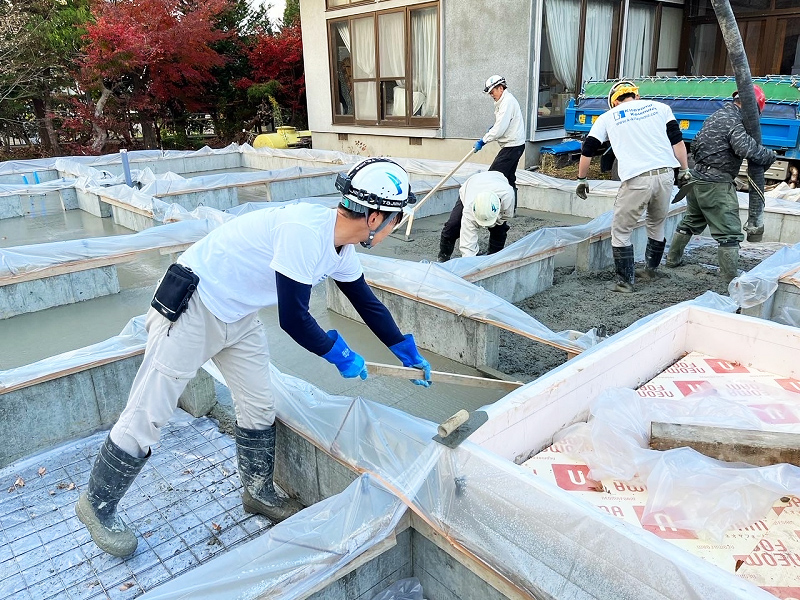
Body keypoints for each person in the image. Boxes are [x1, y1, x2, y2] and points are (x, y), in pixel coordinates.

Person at [75, 157, 433, 557]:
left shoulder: (339, 248)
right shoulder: (304, 232)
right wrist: (339, 353)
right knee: (151, 410)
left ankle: (257, 491)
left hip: (237, 312)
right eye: (396, 218)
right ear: (374, 218)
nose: (396, 227)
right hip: (195, 305)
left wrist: (404, 349)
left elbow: (366, 303)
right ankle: (97, 504)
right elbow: (294, 318)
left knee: (259, 403)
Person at [575, 80, 690, 293]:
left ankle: (625, 282)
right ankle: (650, 270)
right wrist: (684, 169)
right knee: (656, 224)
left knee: (620, 229)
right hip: (665, 175)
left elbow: (588, 149)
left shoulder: (608, 117)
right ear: (636, 96)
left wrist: (582, 179)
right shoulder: (660, 108)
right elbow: (677, 141)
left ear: (614, 102)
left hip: (637, 179)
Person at [665, 85, 777, 282]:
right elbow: (747, 149)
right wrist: (770, 156)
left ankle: (672, 260)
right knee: (730, 234)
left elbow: (697, 143)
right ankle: (729, 281)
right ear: (755, 107)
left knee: (691, 222)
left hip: (697, 179)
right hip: (716, 185)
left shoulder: (717, 115)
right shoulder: (735, 121)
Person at [438, 170, 515, 261]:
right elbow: (467, 246)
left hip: (497, 179)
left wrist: (495, 221)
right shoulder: (469, 208)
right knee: (453, 225)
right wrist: (469, 263)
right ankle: (443, 257)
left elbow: (506, 215)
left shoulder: (508, 196)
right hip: (472, 185)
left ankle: (494, 258)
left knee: (499, 230)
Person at [474, 75, 526, 200]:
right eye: (490, 93)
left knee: (493, 177)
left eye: (493, 92)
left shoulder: (507, 102)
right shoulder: (504, 101)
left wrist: (483, 140)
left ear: (501, 88)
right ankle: (508, 212)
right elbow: (503, 124)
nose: (492, 95)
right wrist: (494, 128)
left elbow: (500, 128)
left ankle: (492, 209)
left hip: (512, 147)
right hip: (515, 145)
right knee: (508, 179)